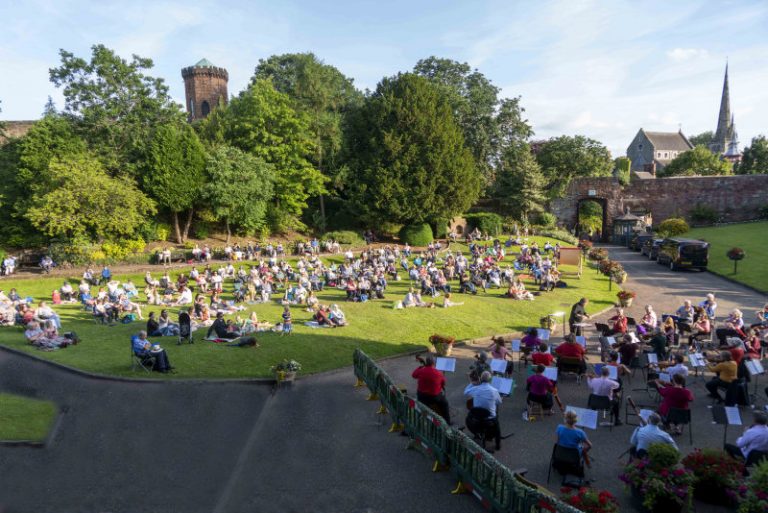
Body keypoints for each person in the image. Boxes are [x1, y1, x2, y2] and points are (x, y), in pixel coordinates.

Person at [464, 371, 502, 450]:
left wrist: (472, 383)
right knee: (497, 427)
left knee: (468, 417)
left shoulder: (476, 388)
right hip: (489, 419)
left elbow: (465, 392)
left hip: (476, 418)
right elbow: (499, 402)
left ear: (480, 379)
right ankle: (498, 444)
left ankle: (477, 433)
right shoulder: (494, 391)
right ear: (490, 379)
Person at [412, 355, 451, 424]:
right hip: (434, 397)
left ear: (426, 362)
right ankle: (447, 422)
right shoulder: (439, 373)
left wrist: (421, 367)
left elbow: (414, 375)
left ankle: (416, 423)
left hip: (422, 397)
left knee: (420, 408)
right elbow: (443, 384)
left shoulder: (421, 370)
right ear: (434, 363)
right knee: (445, 404)